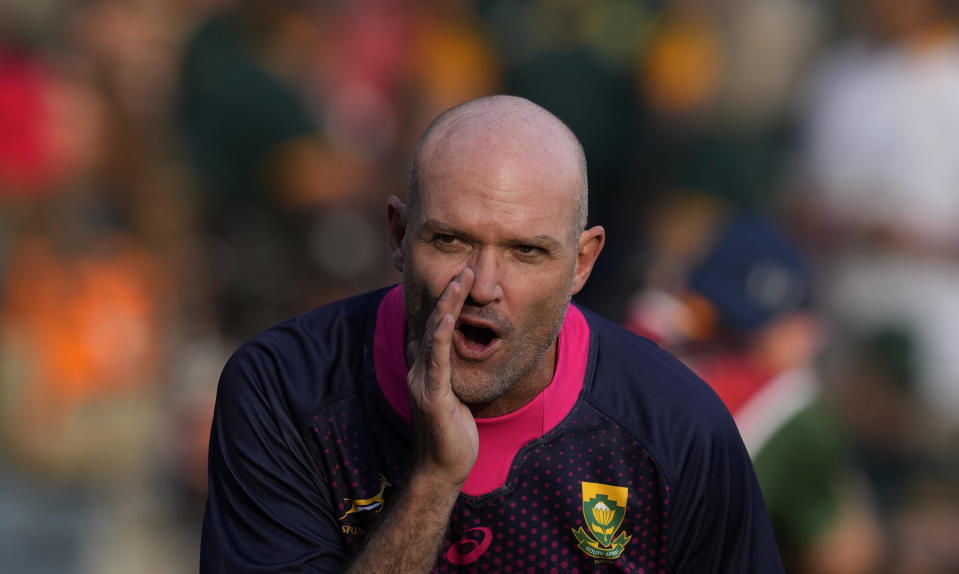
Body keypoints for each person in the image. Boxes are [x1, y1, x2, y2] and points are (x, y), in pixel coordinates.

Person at [200, 95, 783, 572]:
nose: (482, 286)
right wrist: (432, 480)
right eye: (449, 241)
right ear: (399, 236)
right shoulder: (285, 391)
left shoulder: (676, 429)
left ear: (582, 263)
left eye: (527, 252)